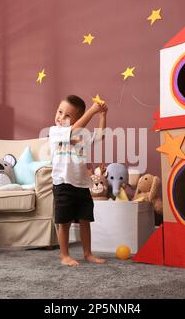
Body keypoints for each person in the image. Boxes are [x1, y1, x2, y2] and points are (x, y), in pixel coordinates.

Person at [49, 95, 108, 266]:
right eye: (60, 112)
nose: (61, 117)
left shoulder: (82, 134)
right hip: (63, 183)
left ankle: (87, 253)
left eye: (67, 115)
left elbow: (100, 136)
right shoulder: (55, 131)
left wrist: (102, 115)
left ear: (77, 119)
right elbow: (73, 130)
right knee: (64, 221)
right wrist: (92, 110)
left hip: (82, 184)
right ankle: (64, 255)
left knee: (85, 219)